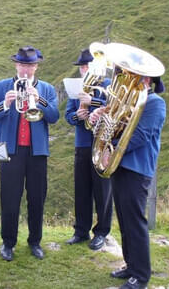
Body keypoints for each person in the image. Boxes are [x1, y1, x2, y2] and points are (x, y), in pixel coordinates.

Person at [0, 46, 59, 261]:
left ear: (36, 66)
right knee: (10, 199)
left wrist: (40, 100)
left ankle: (35, 241)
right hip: (10, 151)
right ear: (16, 65)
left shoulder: (46, 89)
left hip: (37, 152)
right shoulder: (1, 87)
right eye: (23, 65)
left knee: (37, 198)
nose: (26, 69)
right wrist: (5, 104)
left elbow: (54, 117)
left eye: (30, 65)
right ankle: (8, 243)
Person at [90, 75, 166, 289]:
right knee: (123, 219)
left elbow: (141, 135)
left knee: (135, 221)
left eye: (137, 76)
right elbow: (113, 126)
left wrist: (110, 148)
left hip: (137, 167)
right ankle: (131, 265)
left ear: (148, 79)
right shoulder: (126, 103)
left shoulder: (154, 103)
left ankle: (141, 275)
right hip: (120, 167)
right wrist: (101, 117)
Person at [64, 48, 113, 250]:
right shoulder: (77, 88)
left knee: (103, 191)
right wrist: (79, 115)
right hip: (82, 144)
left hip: (102, 144)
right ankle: (81, 230)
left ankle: (101, 232)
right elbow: (68, 116)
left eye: (87, 66)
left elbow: (113, 107)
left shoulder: (108, 85)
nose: (84, 70)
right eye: (82, 67)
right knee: (81, 190)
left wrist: (91, 102)